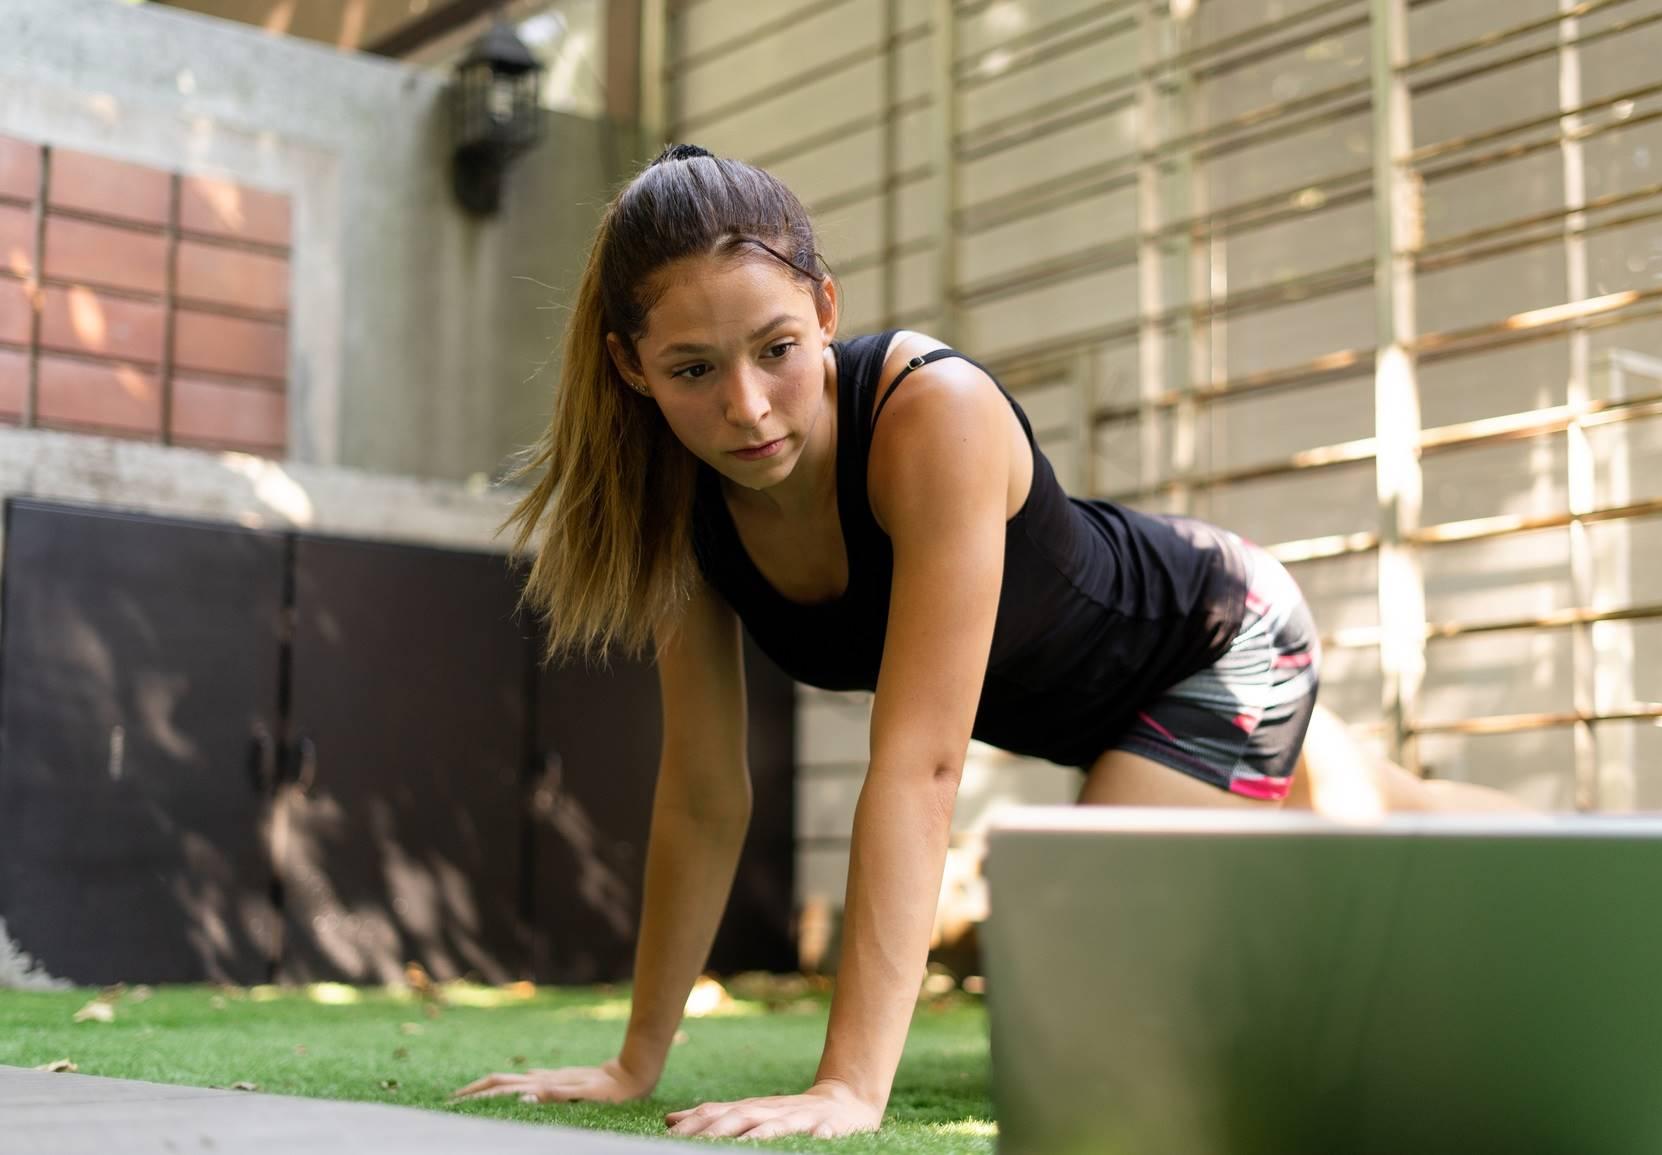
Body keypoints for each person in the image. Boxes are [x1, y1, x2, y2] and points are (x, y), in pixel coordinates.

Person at [451, 144, 1520, 1139]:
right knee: (1380, 804)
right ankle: (1606, 842)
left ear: (825, 308)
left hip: (1217, 637)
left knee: (1085, 1003)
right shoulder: (678, 503)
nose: (747, 407)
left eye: (776, 350)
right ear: (631, 368)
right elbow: (700, 793)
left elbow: (920, 766)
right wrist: (636, 1062)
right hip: (1098, 694)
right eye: (691, 370)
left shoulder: (931, 414)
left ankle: (1537, 892)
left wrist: (849, 1087)